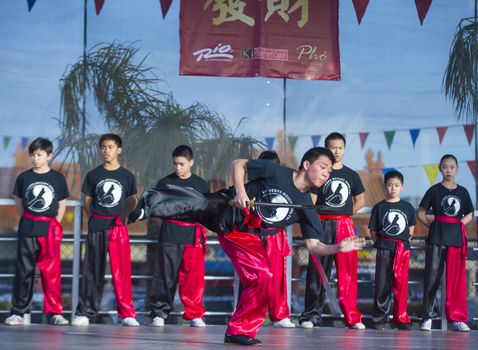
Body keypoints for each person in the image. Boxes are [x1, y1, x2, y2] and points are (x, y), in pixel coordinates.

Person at [130, 147, 365, 345]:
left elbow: (314, 245)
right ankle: (146, 205)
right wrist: (241, 191)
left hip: (244, 236)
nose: (326, 174)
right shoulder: (277, 172)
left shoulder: (305, 205)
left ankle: (238, 330)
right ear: (306, 164)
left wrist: (337, 248)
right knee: (198, 203)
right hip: (227, 209)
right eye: (323, 167)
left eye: (329, 171)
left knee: (264, 275)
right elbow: (239, 164)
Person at [71, 134, 139, 327]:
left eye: (110, 147)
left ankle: (127, 313)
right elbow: (86, 204)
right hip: (97, 227)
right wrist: (97, 220)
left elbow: (132, 201)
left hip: (118, 228)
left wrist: (122, 219)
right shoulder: (93, 175)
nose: (106, 150)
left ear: (119, 149)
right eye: (103, 147)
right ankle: (85, 313)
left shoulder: (127, 176)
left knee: (122, 271)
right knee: (92, 270)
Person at [299, 132, 365, 329]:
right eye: (332, 147)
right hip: (321, 223)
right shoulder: (320, 172)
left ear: (344, 149)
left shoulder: (352, 175)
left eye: (340, 147)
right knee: (318, 270)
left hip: (344, 224)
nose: (336, 151)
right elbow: (310, 199)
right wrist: (313, 220)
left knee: (348, 273)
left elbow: (360, 200)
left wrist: (344, 213)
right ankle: (310, 315)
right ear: (326, 149)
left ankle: (352, 317)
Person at [4, 137, 69, 326]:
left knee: (51, 272)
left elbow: (62, 206)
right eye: (32, 154)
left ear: (49, 156)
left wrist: (52, 224)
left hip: (49, 230)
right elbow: (19, 205)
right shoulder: (24, 177)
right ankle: (18, 311)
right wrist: (30, 220)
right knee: (24, 271)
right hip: (28, 228)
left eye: (39, 154)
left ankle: (54, 312)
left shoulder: (57, 178)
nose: (35, 158)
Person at [149, 145, 209, 327]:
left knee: (193, 278)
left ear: (191, 162)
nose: (178, 168)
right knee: (164, 275)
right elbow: (156, 210)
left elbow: (207, 211)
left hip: (192, 235)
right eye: (175, 164)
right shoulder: (164, 183)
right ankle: (159, 313)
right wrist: (167, 226)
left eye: (182, 164)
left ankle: (194, 313)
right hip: (169, 233)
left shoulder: (202, 184)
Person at [418, 154, 473, 332]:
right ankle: (428, 317)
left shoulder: (463, 192)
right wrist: (433, 226)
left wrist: (457, 226)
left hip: (456, 240)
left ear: (457, 169)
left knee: (456, 281)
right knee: (432, 278)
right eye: (444, 167)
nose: (448, 170)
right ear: (440, 169)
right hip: (436, 238)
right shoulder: (434, 190)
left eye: (451, 167)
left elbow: (469, 214)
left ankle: (457, 318)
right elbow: (420, 213)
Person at [368, 170, 416, 331]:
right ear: (385, 186)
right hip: (384, 249)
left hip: (402, 250)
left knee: (401, 286)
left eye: (396, 185)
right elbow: (373, 231)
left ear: (402, 187)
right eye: (389, 185)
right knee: (382, 284)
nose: (393, 189)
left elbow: (411, 229)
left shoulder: (408, 207)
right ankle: (380, 319)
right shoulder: (379, 207)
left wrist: (403, 244)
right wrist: (382, 243)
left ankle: (401, 318)